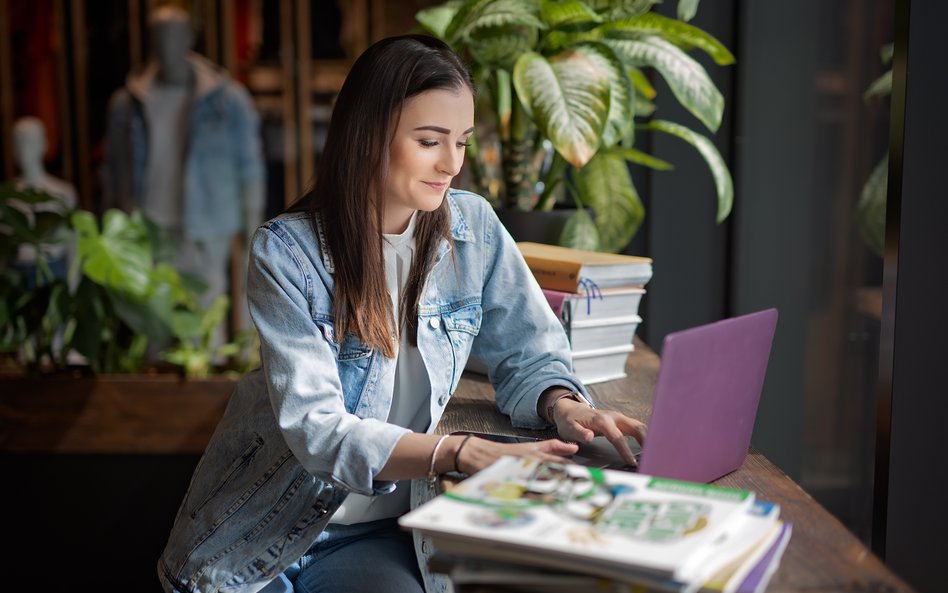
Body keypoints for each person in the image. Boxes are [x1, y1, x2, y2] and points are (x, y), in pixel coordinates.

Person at [157, 34, 647, 593]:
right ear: (369, 136)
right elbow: (318, 433)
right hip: (259, 528)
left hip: (372, 533)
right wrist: (453, 452)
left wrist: (562, 405)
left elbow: (528, 350)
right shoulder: (287, 254)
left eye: (460, 142)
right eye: (429, 141)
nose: (451, 164)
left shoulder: (473, 230)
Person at [102, 4, 265, 345]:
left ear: (190, 37)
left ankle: (209, 392)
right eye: (158, 35)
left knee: (207, 318)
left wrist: (253, 228)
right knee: (152, 323)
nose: (166, 44)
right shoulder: (127, 103)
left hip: (208, 222)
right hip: (148, 223)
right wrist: (116, 227)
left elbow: (250, 167)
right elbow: (114, 173)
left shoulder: (228, 100)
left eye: (174, 34)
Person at [7, 116, 77, 283]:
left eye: (30, 142)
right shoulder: (7, 195)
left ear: (43, 144)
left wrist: (73, 287)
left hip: (53, 273)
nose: (25, 149)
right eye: (19, 142)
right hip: (16, 276)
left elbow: (74, 245)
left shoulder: (63, 192)